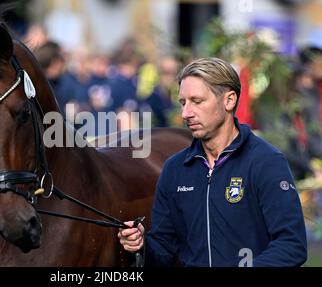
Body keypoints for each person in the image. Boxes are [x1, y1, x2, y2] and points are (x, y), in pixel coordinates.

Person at [118, 57, 307, 267]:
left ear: (229, 100)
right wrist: (141, 245)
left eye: (197, 101)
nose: (186, 113)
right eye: (183, 102)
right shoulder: (174, 169)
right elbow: (163, 253)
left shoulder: (267, 161)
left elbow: (292, 245)